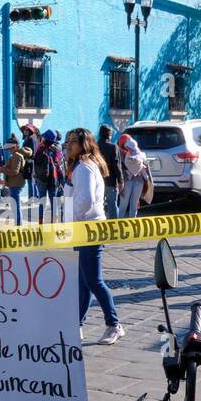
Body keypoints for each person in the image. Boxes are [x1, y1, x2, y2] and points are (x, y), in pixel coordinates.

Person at [65, 127, 124, 345]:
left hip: (88, 228)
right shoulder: (80, 166)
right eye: (68, 141)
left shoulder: (85, 168)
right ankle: (77, 324)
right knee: (82, 281)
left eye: (73, 141)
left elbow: (86, 200)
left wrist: (70, 219)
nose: (69, 145)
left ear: (84, 144)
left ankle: (114, 324)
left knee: (93, 280)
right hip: (82, 229)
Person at [31, 129, 63, 224]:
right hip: (54, 178)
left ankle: (41, 222)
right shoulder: (57, 150)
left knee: (42, 201)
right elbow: (59, 166)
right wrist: (61, 179)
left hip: (41, 178)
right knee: (54, 201)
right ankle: (54, 222)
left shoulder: (40, 148)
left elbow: (35, 161)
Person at [117, 134, 151, 218]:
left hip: (139, 180)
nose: (125, 148)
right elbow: (119, 167)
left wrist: (140, 164)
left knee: (134, 203)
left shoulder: (138, 152)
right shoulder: (119, 153)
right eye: (123, 145)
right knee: (124, 203)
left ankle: (133, 223)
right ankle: (118, 223)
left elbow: (144, 164)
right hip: (127, 180)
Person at [1, 133, 31, 225]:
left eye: (11, 147)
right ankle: (18, 224)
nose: (9, 150)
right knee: (15, 206)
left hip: (16, 184)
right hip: (15, 183)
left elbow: (14, 171)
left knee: (16, 206)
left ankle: (18, 224)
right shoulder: (17, 155)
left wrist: (3, 169)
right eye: (8, 148)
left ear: (15, 146)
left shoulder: (17, 156)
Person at [98, 125, 122, 219]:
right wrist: (121, 181)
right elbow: (117, 165)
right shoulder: (113, 147)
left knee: (98, 205)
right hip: (111, 182)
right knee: (112, 205)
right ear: (110, 135)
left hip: (97, 181)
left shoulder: (95, 146)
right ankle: (114, 227)